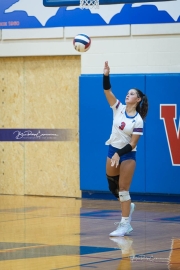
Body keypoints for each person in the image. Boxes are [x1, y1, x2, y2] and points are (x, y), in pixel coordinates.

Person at [103, 61, 148, 237]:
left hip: (127, 154)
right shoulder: (118, 108)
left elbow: (133, 144)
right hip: (112, 150)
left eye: (132, 94)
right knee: (112, 186)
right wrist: (106, 75)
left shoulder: (138, 120)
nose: (128, 95)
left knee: (123, 189)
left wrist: (118, 154)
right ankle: (129, 205)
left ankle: (125, 225)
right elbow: (107, 90)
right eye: (128, 93)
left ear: (138, 99)